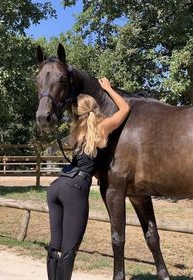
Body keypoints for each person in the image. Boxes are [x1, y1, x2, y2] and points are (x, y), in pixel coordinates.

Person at [46, 77, 130, 280]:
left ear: (77, 113)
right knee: (69, 249)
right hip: (75, 188)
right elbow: (125, 109)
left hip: (56, 186)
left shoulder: (76, 132)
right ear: (95, 108)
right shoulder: (101, 128)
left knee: (55, 245)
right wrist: (109, 88)